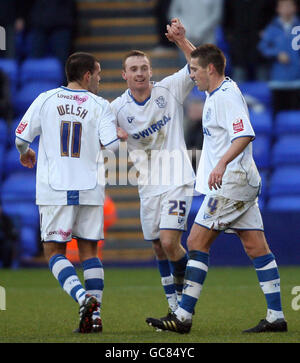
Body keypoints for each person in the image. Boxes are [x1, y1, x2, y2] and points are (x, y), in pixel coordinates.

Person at [146, 22, 287, 334]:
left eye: (195, 70)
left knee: (196, 241)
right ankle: (276, 316)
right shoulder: (218, 88)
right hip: (239, 182)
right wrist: (183, 41)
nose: (191, 73)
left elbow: (244, 134)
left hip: (232, 181)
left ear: (210, 70)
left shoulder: (225, 97)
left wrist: (221, 164)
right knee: (256, 247)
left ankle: (182, 317)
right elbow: (202, 58)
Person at [15, 52, 127, 333]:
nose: (100, 79)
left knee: (53, 251)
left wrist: (25, 152)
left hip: (56, 187)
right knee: (90, 252)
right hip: (90, 187)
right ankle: (94, 318)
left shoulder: (46, 99)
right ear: (87, 75)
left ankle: (82, 299)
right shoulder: (100, 104)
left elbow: (20, 137)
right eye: (98, 73)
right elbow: (113, 146)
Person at [110, 19, 196, 317]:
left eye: (144, 68)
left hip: (177, 178)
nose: (140, 73)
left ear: (150, 71)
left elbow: (197, 66)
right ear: (124, 75)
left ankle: (187, 299)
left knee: (171, 241)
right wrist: (114, 138)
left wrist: (182, 41)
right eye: (133, 69)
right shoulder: (117, 109)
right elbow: (102, 141)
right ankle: (174, 305)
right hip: (148, 186)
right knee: (159, 248)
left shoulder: (169, 89)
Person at [258, 0, 300, 114]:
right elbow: (262, 48)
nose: (286, 8)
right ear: (278, 9)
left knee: (295, 119)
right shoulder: (272, 28)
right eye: (283, 6)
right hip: (278, 80)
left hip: (297, 81)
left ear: (295, 8)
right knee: (278, 116)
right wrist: (276, 54)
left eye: (289, 5)